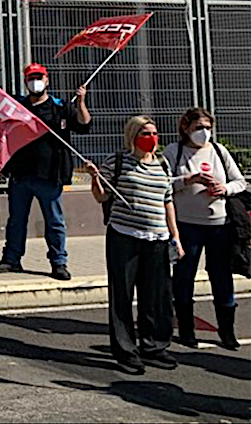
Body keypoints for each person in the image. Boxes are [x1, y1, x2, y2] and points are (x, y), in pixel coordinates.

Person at [84, 116, 182, 375]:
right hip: (124, 237)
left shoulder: (162, 164)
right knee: (123, 296)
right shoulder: (117, 162)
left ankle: (154, 346)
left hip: (157, 239)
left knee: (157, 296)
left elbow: (167, 201)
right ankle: (126, 351)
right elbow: (101, 196)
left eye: (154, 133)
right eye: (145, 133)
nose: (152, 138)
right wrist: (95, 179)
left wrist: (176, 238)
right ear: (133, 135)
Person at [0, 61, 91, 281]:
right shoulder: (18, 106)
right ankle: (11, 259)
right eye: (30, 78)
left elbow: (83, 125)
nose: (35, 82)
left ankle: (58, 262)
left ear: (46, 80)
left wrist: (81, 101)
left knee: (54, 221)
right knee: (16, 220)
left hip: (50, 175)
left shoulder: (60, 107)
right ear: (25, 82)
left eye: (38, 77)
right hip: (21, 174)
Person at [163, 107, 247, 350]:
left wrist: (225, 189)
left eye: (208, 128)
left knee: (221, 276)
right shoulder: (174, 152)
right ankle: (186, 329)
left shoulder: (219, 151)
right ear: (186, 128)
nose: (204, 133)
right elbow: (162, 183)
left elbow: (239, 181)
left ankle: (227, 330)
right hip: (187, 225)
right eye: (199, 128)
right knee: (183, 276)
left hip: (220, 225)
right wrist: (189, 180)